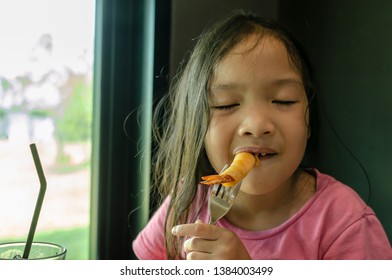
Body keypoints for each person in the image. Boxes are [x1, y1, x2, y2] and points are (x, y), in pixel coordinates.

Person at [132, 11, 392, 260]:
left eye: (283, 101)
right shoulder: (187, 202)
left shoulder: (343, 222)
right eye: (226, 104)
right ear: (196, 126)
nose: (257, 125)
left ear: (309, 119)